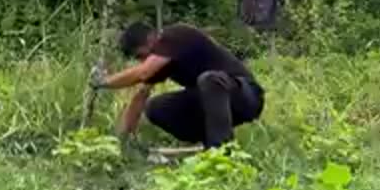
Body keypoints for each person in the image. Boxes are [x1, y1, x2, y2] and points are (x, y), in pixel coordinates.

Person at [91, 22, 264, 149]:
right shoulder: (163, 64)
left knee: (209, 80)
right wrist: (120, 142)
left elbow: (142, 72)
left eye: (141, 55)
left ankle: (220, 151)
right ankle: (202, 143)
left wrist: (103, 82)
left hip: (247, 96)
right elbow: (140, 98)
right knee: (155, 107)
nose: (142, 60)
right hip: (216, 99)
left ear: (151, 39)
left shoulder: (175, 36)